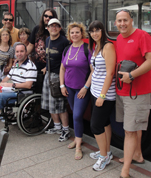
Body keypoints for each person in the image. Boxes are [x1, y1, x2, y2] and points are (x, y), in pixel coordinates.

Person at [115, 9, 151, 178]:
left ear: (131, 20)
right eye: (119, 21)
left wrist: (132, 75)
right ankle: (137, 155)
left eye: (125, 20)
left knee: (130, 131)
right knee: (134, 127)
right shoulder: (119, 38)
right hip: (123, 91)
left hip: (137, 93)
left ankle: (125, 170)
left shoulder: (142, 36)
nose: (122, 24)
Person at [0, 43, 37, 124]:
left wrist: (11, 85)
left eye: (21, 51)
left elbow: (28, 85)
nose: (19, 54)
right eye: (17, 51)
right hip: (11, 90)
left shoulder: (30, 66)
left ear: (26, 52)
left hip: (21, 93)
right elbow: (7, 78)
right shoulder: (16, 64)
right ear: (15, 53)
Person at [59, 22, 92, 160]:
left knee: (77, 115)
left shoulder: (87, 49)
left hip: (81, 89)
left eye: (77, 32)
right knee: (74, 115)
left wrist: (85, 87)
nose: (74, 35)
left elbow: (93, 71)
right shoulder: (67, 49)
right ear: (69, 34)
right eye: (72, 33)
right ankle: (78, 138)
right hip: (69, 89)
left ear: (82, 34)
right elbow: (62, 68)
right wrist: (62, 85)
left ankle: (78, 146)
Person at [88, 20, 116, 171]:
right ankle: (107, 151)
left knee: (95, 125)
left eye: (97, 30)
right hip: (95, 91)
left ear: (103, 31)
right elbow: (96, 71)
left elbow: (110, 73)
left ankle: (103, 157)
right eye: (92, 31)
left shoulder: (108, 46)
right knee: (104, 123)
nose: (94, 33)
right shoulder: (96, 47)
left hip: (104, 94)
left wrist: (102, 95)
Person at [41, 18, 70, 142]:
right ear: (47, 28)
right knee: (50, 103)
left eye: (56, 26)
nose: (54, 28)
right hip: (48, 75)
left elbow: (67, 62)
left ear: (60, 28)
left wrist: (63, 81)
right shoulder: (47, 40)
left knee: (60, 105)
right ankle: (57, 127)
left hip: (58, 77)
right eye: (51, 26)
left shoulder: (64, 42)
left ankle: (66, 130)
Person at [27, 9, 59, 73]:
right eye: (46, 16)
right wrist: (20, 58)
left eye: (50, 17)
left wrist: (47, 67)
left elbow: (58, 54)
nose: (47, 18)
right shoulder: (37, 29)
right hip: (37, 67)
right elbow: (30, 45)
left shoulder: (57, 31)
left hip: (52, 70)